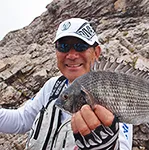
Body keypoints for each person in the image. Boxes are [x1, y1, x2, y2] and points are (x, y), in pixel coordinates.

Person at [0, 18, 133, 150]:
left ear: (96, 52)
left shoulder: (116, 92)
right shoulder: (53, 86)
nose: (72, 55)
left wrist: (108, 146)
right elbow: (21, 120)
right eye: (63, 46)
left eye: (80, 46)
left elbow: (123, 145)